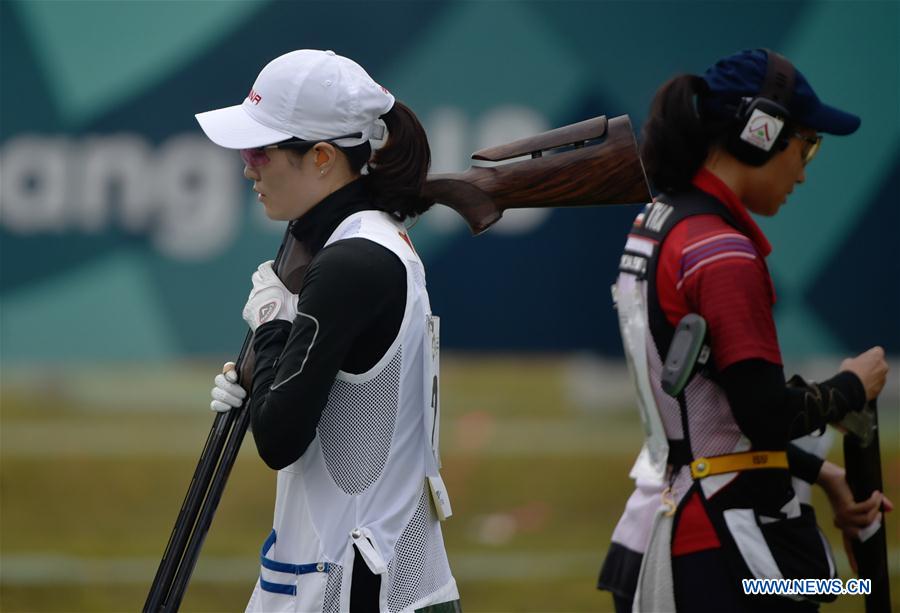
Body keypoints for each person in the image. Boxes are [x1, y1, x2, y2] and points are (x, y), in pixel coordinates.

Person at [597, 49, 891, 612]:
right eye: (806, 144)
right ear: (762, 133)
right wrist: (854, 385)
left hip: (676, 519)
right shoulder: (720, 250)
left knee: (844, 589)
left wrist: (822, 472)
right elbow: (764, 416)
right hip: (730, 544)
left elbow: (709, 415)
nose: (804, 170)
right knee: (852, 589)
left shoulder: (658, 224)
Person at [199, 49, 460, 613]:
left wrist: (270, 324)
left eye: (260, 151)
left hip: (358, 584)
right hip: (356, 569)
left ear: (320, 158)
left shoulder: (352, 260)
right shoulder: (361, 242)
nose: (249, 168)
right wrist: (261, 375)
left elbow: (278, 438)